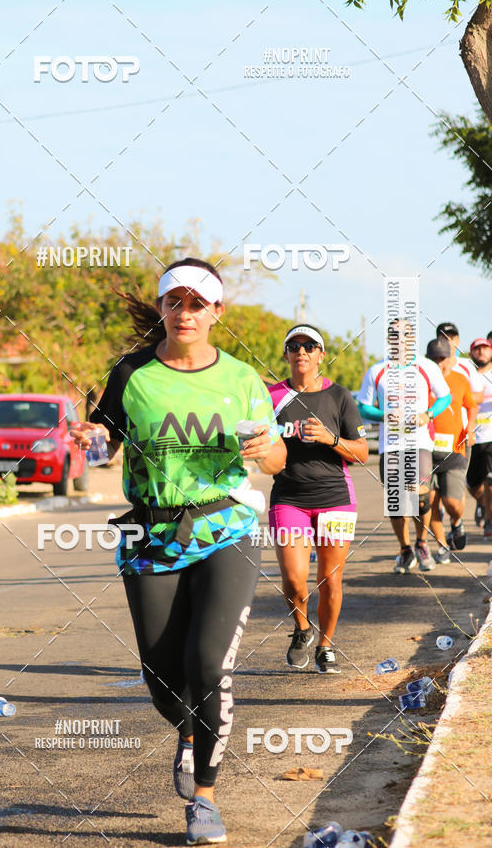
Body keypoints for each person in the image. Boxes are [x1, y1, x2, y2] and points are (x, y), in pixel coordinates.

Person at [72, 258, 285, 846]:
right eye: (175, 302)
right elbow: (103, 447)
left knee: (209, 663)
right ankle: (190, 735)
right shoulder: (132, 374)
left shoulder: (242, 379)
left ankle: (206, 800)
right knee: (163, 678)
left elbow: (275, 461)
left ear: (217, 312)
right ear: (163, 308)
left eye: (197, 304)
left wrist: (267, 451)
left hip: (225, 528)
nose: (185, 313)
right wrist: (91, 442)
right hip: (149, 535)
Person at [268, 324, 368, 674]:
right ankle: (302, 628)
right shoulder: (271, 396)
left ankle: (326, 645)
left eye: (310, 346)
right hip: (289, 497)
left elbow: (362, 453)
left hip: (335, 497)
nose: (302, 352)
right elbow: (260, 442)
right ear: (286, 354)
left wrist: (330, 439)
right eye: (294, 345)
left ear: (321, 355)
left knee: (330, 579)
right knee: (295, 578)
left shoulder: (339, 396)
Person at [358, 319, 450, 573]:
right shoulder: (377, 370)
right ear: (389, 338)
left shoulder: (426, 366)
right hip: (391, 445)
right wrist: (385, 415)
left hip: (419, 442)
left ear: (413, 337)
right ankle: (404, 548)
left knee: (420, 497)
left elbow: (445, 396)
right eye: (395, 334)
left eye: (406, 333)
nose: (400, 338)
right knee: (397, 502)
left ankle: (422, 543)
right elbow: (363, 406)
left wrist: (428, 415)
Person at [425, 338, 476, 562]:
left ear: (449, 359)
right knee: (430, 500)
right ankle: (442, 545)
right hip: (425, 449)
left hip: (454, 448)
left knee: (452, 502)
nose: (438, 363)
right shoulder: (420, 381)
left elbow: (472, 405)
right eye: (433, 358)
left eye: (442, 358)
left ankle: (456, 522)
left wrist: (471, 428)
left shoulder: (460, 379)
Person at [467, 338, 492, 540]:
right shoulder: (467, 378)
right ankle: (484, 504)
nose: (481, 352)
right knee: (471, 483)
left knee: (490, 479)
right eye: (477, 349)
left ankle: (489, 520)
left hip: (491, 436)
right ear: (471, 354)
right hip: (472, 437)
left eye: (485, 348)